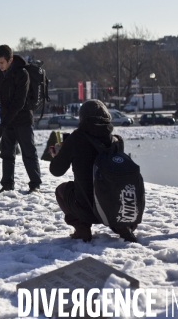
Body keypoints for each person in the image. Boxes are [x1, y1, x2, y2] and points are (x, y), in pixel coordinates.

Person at [50, 100, 137, 242]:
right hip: (113, 209)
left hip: (86, 209)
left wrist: (59, 154)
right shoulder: (116, 141)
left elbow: (56, 171)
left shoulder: (76, 138)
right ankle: (122, 227)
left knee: (61, 189)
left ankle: (82, 228)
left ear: (82, 118)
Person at [0, 45, 41, 193]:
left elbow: (19, 102)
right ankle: (7, 184)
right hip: (7, 119)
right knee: (7, 153)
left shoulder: (22, 74)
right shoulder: (0, 72)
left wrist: (3, 124)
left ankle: (35, 185)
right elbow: (0, 90)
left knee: (28, 152)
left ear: (10, 60)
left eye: (1, 63)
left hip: (22, 119)